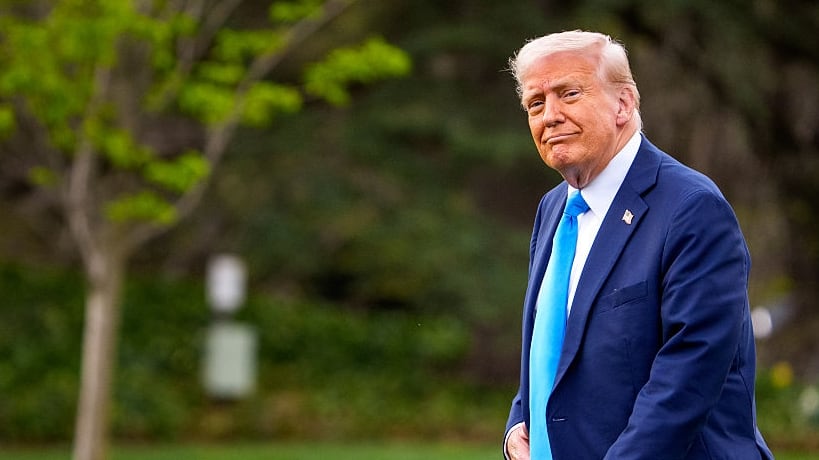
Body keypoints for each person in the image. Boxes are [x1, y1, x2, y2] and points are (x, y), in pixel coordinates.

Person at [502, 30, 774, 460]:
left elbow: (688, 375)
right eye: (536, 103)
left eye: (568, 94)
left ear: (624, 104)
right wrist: (521, 423)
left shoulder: (692, 207)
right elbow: (551, 346)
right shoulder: (553, 209)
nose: (549, 115)